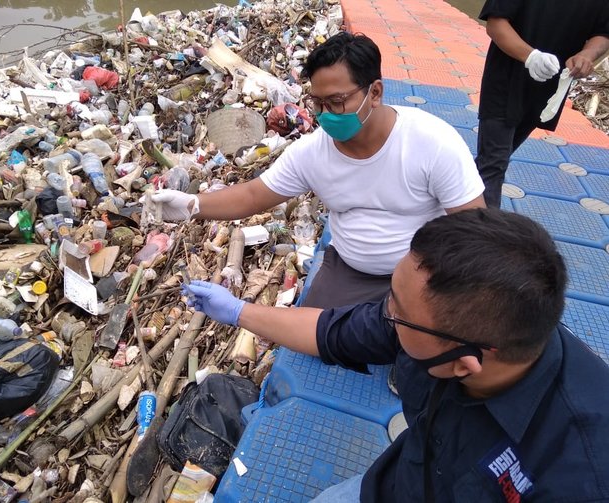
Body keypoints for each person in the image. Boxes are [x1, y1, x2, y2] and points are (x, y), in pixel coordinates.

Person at [184, 208, 609, 502]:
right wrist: (238, 311)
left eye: (399, 312)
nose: (385, 314)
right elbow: (329, 332)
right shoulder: (423, 324)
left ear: (466, 364)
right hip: (393, 485)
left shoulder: (580, 474)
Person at [152, 31, 485, 308]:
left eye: (338, 102)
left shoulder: (432, 142)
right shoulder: (313, 153)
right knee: (322, 336)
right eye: (318, 103)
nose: (326, 115)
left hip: (425, 271)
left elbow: (472, 226)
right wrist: (192, 205)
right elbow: (254, 194)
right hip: (353, 270)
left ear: (376, 93)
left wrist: (439, 282)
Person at [476, 0, 609, 208]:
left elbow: (603, 32)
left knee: (495, 158)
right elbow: (496, 23)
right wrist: (531, 57)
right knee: (494, 163)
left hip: (550, 88)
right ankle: (482, 234)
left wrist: (587, 55)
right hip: (506, 78)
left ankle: (454, 192)